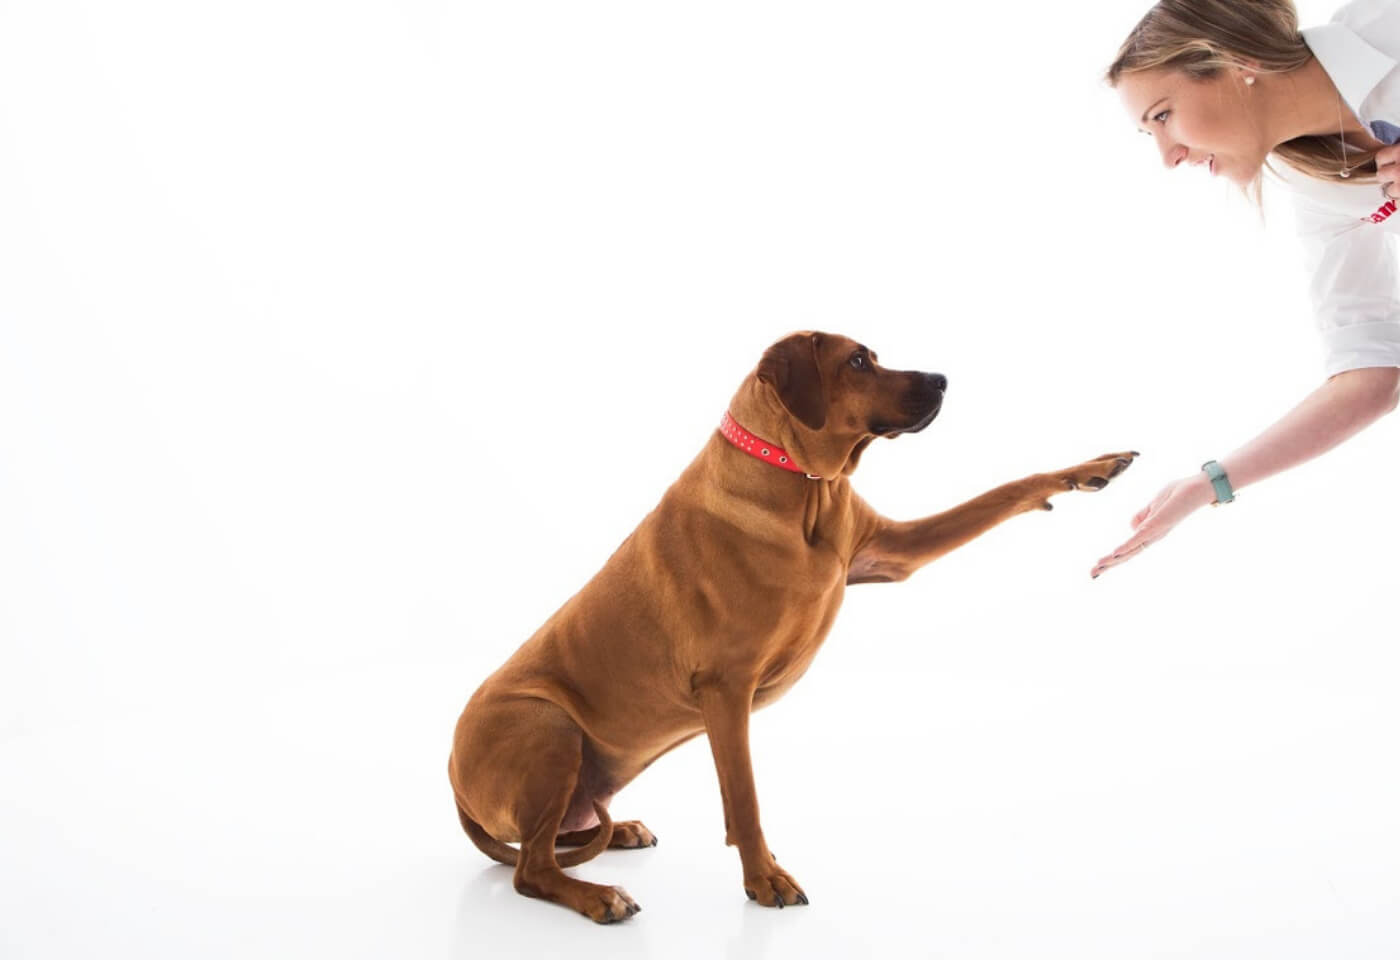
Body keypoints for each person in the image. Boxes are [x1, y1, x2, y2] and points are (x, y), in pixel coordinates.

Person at [1093, 0, 1400, 578]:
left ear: (1237, 64)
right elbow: (1372, 372)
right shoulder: (1318, 187)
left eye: (1163, 115)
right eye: (1148, 133)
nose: (1168, 156)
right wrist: (1208, 485)